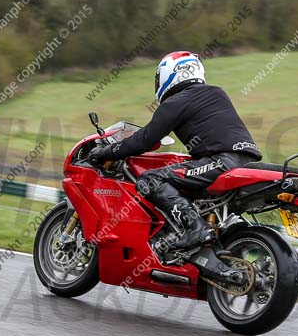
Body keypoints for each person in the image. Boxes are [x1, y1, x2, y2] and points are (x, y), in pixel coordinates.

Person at [88, 51, 262, 252]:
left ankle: (195, 227)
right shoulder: (217, 92)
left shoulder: (176, 102)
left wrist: (107, 151)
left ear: (169, 74)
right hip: (248, 163)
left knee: (151, 180)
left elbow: (144, 140)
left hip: (223, 162)